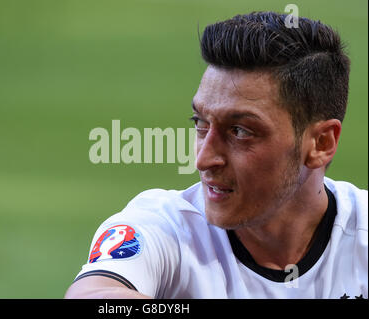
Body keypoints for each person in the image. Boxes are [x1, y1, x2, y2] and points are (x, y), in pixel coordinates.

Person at [65, 11, 367, 299]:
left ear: (321, 143)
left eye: (240, 131)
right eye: (201, 123)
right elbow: (93, 295)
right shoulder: (166, 227)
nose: (203, 159)